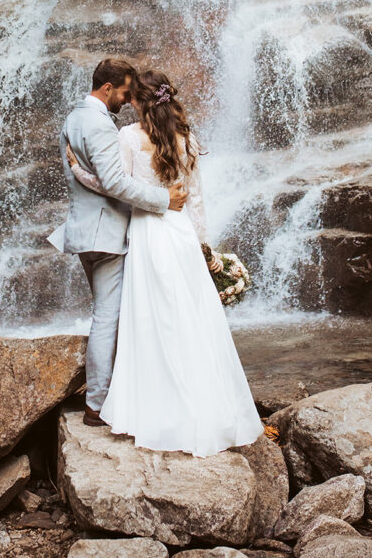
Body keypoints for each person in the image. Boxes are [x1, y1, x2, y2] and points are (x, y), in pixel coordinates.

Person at [64, 68, 264, 457]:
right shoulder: (188, 139)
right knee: (193, 319)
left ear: (138, 101)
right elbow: (198, 198)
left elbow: (114, 185)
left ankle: (158, 408)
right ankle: (208, 407)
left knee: (154, 322)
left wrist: (78, 171)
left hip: (149, 234)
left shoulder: (129, 137)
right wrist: (206, 249)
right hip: (183, 235)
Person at [50, 58, 189, 427]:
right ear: (107, 88)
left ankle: (123, 391)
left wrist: (79, 170)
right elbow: (113, 183)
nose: (128, 101)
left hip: (84, 231)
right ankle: (97, 405)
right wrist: (164, 201)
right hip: (108, 233)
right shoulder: (99, 124)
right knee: (108, 319)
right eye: (125, 93)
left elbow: (89, 177)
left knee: (111, 315)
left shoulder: (73, 118)